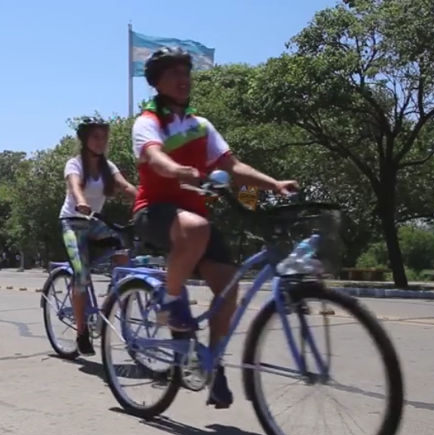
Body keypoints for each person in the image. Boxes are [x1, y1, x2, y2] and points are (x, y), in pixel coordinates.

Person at [131, 47, 298, 409]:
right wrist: (175, 170)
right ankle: (171, 301)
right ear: (157, 82)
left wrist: (275, 184)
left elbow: (231, 165)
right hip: (155, 212)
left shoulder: (201, 125)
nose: (182, 78)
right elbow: (155, 157)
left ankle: (213, 364)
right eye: (173, 72)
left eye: (185, 71)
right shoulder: (148, 122)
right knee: (195, 228)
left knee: (230, 287)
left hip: (196, 222)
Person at [60, 116, 138, 356]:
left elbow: (125, 187)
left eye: (104, 137)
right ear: (85, 139)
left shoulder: (108, 167)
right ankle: (82, 332)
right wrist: (81, 202)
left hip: (94, 223)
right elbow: (75, 187)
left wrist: (147, 200)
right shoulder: (75, 164)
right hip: (72, 223)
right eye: (95, 137)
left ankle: (114, 297)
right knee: (82, 276)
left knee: (123, 248)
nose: (101, 141)